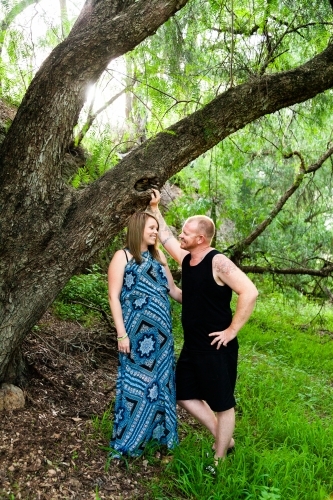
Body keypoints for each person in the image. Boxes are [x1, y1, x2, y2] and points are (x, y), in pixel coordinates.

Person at [147, 189, 258, 462]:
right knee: (184, 394)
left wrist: (231, 331)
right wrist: (155, 207)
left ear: (201, 238)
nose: (181, 235)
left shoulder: (218, 261)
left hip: (216, 345)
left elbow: (250, 291)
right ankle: (224, 437)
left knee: (222, 403)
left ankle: (219, 459)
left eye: (186, 232)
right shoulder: (187, 260)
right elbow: (167, 238)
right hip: (194, 344)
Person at [108, 211, 182, 458]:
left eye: (156, 228)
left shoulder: (159, 256)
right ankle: (130, 441)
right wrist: (121, 334)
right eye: (151, 227)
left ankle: (159, 439)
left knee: (161, 385)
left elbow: (174, 291)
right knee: (137, 386)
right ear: (138, 228)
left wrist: (206, 291)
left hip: (162, 337)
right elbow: (113, 297)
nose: (155, 232)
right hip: (137, 337)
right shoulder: (123, 256)